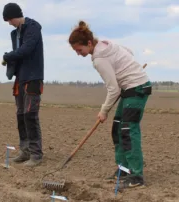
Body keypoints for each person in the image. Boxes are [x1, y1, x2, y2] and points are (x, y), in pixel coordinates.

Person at [68, 20, 152, 190]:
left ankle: (136, 176)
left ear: (89, 43)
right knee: (117, 128)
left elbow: (113, 89)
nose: (78, 54)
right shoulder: (106, 44)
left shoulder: (99, 59)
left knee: (128, 130)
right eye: (76, 51)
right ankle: (123, 169)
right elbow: (129, 52)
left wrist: (103, 111)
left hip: (137, 89)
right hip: (130, 89)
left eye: (79, 50)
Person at [2, 2, 44, 167]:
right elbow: (19, 54)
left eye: (9, 20)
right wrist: (11, 60)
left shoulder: (33, 28)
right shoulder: (15, 34)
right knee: (21, 115)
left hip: (33, 77)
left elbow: (26, 49)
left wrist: (9, 56)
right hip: (20, 78)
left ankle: (36, 154)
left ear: (15, 16)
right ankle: (25, 151)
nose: (9, 23)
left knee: (30, 114)